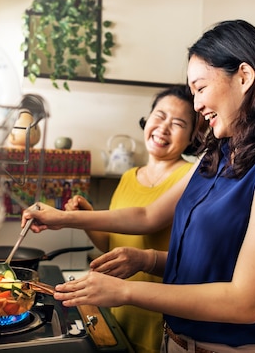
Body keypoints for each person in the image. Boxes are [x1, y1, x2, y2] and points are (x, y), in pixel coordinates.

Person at [23, 20, 255, 352]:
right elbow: (151, 216)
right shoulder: (217, 157)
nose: (196, 105)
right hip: (174, 341)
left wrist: (124, 291)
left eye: (201, 88)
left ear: (244, 77)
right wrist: (144, 258)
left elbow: (245, 302)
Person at [66, 84, 204, 353]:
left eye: (177, 123)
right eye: (159, 116)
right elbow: (111, 246)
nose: (163, 128)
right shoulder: (129, 176)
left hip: (160, 317)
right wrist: (86, 217)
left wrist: (63, 219)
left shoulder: (191, 177)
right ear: (147, 119)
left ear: (191, 138)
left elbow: (148, 221)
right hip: (119, 311)